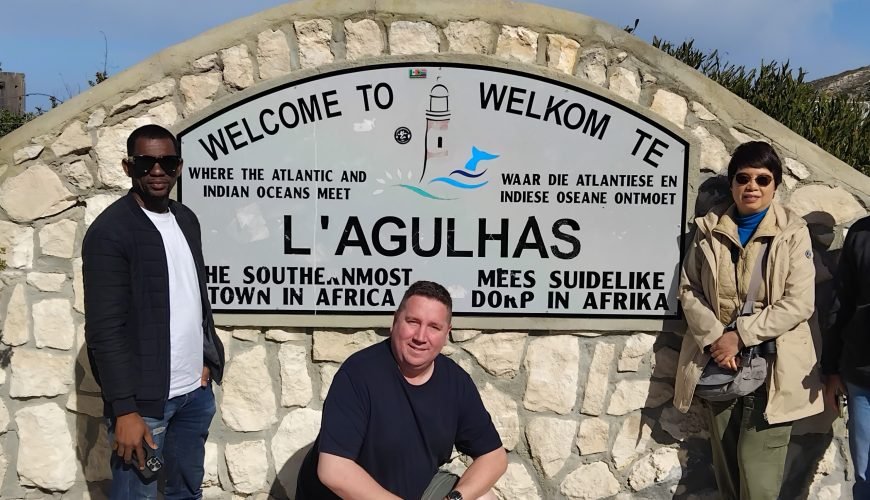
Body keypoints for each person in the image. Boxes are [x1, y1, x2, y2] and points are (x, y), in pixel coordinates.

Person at [673, 141, 823, 499]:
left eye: (763, 179)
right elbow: (689, 289)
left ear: (775, 185)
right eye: (743, 177)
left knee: (756, 478)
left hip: (773, 369)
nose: (752, 186)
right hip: (721, 365)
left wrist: (738, 336)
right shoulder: (708, 229)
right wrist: (715, 340)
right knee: (728, 474)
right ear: (732, 182)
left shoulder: (792, 232)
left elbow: (799, 302)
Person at [83, 124, 225, 499]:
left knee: (187, 492)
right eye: (146, 162)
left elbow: (193, 299)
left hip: (193, 394)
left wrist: (205, 361)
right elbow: (105, 331)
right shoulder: (112, 232)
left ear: (179, 166)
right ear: (129, 167)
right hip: (144, 406)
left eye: (168, 162)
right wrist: (125, 410)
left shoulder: (185, 219)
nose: (158, 171)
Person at [296, 281, 507, 500]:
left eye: (434, 327)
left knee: (483, 497)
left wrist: (454, 498)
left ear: (447, 333)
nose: (420, 337)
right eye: (413, 322)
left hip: (419, 492)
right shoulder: (358, 374)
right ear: (395, 321)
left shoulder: (456, 382)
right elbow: (334, 470)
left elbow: (494, 457)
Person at [823, 213, 870, 499]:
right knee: (865, 479)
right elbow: (840, 303)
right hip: (862, 378)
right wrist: (831, 368)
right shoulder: (862, 232)